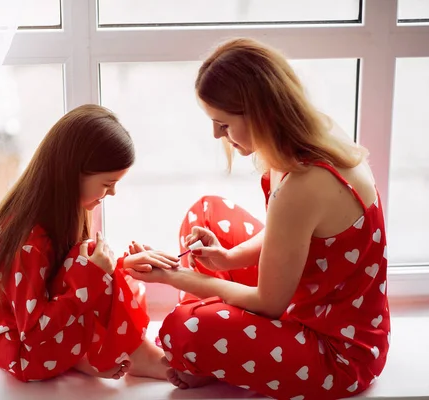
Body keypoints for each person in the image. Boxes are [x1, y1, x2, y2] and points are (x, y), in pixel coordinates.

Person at [127, 38, 390, 399]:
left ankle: (205, 353)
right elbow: (288, 235)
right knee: (207, 211)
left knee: (183, 329)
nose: (216, 134)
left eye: (222, 123)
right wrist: (229, 258)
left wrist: (178, 278)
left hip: (337, 354)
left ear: (259, 113)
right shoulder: (309, 136)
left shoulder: (305, 184)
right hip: (303, 297)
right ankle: (214, 353)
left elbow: (269, 303)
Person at [0, 104, 179, 382]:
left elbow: (58, 280)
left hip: (42, 337)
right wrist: (95, 273)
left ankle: (100, 357)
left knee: (96, 263)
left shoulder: (61, 212)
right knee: (91, 262)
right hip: (25, 355)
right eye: (108, 184)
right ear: (73, 174)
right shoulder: (28, 242)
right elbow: (34, 334)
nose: (113, 193)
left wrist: (121, 267)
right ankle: (136, 355)